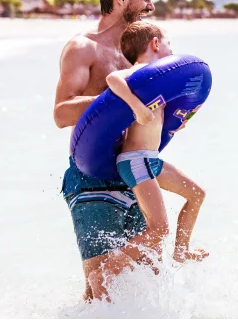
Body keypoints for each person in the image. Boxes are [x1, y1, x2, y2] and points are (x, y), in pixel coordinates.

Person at [86, 21, 209, 301]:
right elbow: (113, 80)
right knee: (158, 228)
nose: (171, 51)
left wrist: (176, 124)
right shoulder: (137, 74)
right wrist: (137, 107)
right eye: (168, 45)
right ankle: (104, 270)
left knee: (197, 194)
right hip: (134, 159)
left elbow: (162, 120)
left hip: (151, 158)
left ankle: (181, 251)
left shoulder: (161, 84)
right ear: (155, 44)